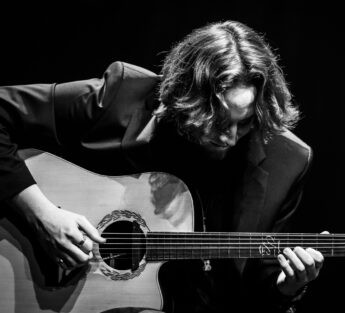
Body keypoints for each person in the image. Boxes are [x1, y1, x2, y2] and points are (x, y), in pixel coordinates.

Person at [0, 21, 323, 313]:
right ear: (184, 97)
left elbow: (254, 290)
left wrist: (286, 287)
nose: (229, 137)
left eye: (246, 122)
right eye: (217, 120)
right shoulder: (120, 99)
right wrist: (41, 214)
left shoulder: (288, 161)